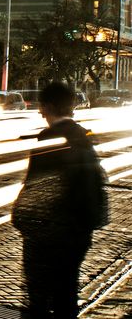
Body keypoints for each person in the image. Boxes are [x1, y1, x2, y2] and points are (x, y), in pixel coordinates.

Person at [12, 82, 108, 319]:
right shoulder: (84, 136)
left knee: (39, 298)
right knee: (66, 293)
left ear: (49, 106)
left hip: (47, 234)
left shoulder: (49, 139)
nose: (40, 112)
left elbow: (36, 187)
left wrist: (22, 219)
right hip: (78, 234)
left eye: (42, 107)